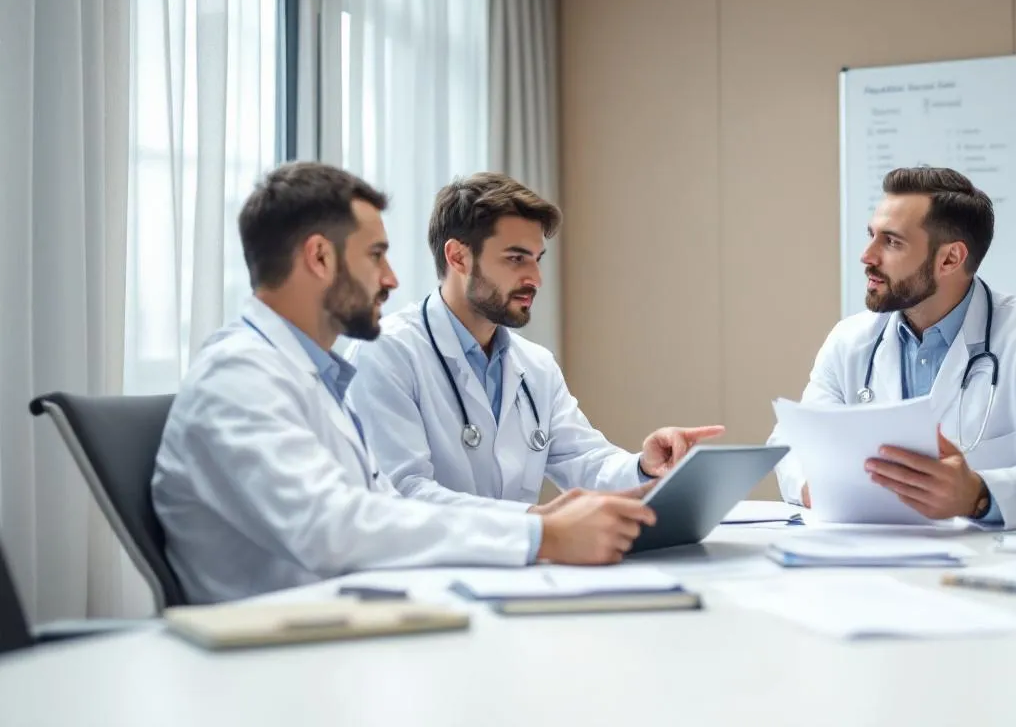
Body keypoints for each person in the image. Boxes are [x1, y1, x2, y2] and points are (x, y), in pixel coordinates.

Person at [152, 162, 657, 604]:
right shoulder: (240, 377)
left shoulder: (306, 374)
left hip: (350, 618)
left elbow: (378, 509)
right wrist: (538, 533)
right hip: (278, 657)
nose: (392, 279)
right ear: (320, 258)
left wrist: (556, 520)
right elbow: (338, 527)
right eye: (376, 255)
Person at [346, 172, 723, 511]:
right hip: (427, 578)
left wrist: (643, 464)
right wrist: (536, 521)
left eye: (537, 259)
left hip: (520, 570)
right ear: (458, 257)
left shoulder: (535, 365)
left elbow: (586, 460)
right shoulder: (386, 352)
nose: (536, 279)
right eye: (516, 258)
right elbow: (404, 492)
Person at [768, 167, 1016, 529]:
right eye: (871, 235)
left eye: (891, 242)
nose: (867, 256)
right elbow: (794, 441)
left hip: (992, 564)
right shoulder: (849, 341)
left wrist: (979, 494)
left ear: (950, 259)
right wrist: (814, 487)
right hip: (870, 560)